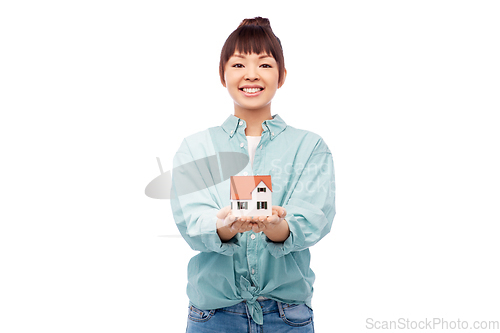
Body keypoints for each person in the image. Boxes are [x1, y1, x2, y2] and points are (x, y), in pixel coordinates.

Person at [170, 17, 336, 332]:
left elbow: (314, 217)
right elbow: (190, 220)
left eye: (264, 64)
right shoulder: (196, 147)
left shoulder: (309, 146)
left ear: (282, 75)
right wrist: (223, 227)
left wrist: (278, 226)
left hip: (287, 317)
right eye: (238, 65)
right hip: (213, 317)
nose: (251, 75)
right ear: (222, 75)